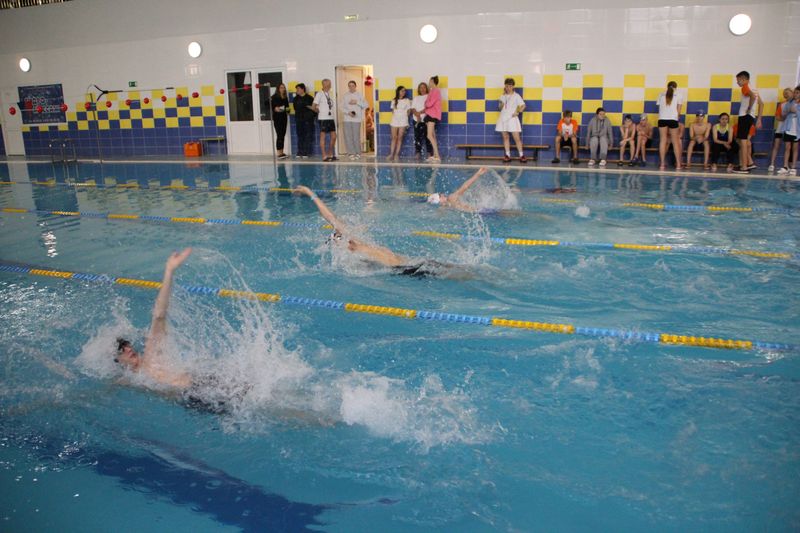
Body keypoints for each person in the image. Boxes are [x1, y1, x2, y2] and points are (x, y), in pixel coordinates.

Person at [295, 185, 468, 279]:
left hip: (409, 264)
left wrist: (310, 193)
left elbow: (331, 217)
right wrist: (310, 193)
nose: (342, 229)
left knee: (455, 270)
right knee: (458, 274)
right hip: (407, 268)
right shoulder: (351, 245)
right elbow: (329, 217)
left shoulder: (354, 245)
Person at [114, 249, 194, 391]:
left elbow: (159, 315)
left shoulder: (151, 356)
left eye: (127, 344)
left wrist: (169, 271)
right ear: (117, 361)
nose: (128, 349)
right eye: (122, 349)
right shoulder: (132, 380)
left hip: (201, 389)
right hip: (193, 399)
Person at [733, 70, 763, 174]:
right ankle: (749, 163)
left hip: (744, 116)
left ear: (744, 79)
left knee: (743, 141)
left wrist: (749, 108)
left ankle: (744, 167)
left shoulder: (745, 87)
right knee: (742, 140)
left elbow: (752, 97)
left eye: (738, 80)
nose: (737, 83)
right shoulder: (754, 88)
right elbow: (761, 104)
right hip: (751, 117)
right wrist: (759, 119)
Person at [496, 78, 527, 163]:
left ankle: (521, 155)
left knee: (517, 138)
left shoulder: (516, 96)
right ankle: (507, 155)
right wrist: (501, 102)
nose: (508, 88)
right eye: (506, 86)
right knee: (505, 137)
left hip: (512, 119)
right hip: (503, 118)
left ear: (513, 86)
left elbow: (523, 105)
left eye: (510, 86)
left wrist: (517, 112)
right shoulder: (502, 96)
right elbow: (500, 108)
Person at [657, 80, 684, 170]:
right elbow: (679, 111)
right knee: (675, 142)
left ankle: (662, 164)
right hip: (673, 119)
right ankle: (678, 165)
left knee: (663, 141)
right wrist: (676, 118)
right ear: (676, 87)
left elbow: (660, 108)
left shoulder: (661, 94)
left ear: (667, 87)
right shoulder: (679, 94)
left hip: (662, 119)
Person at [341, 80, 367, 160]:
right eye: (349, 86)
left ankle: (358, 153)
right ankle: (351, 153)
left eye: (353, 85)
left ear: (355, 86)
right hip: (347, 119)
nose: (351, 87)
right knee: (348, 136)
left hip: (357, 119)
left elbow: (366, 105)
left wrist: (356, 102)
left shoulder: (360, 95)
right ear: (348, 87)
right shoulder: (345, 96)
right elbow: (341, 107)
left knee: (356, 137)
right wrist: (348, 112)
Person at [312, 78, 337, 162]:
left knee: (334, 136)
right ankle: (324, 155)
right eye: (328, 84)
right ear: (324, 85)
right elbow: (313, 106)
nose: (329, 86)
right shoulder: (319, 94)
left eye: (329, 84)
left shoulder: (329, 93)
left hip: (330, 118)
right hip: (323, 118)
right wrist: (319, 111)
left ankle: (330, 153)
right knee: (323, 136)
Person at [776, 85, 800, 176]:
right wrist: (789, 110)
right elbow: (784, 113)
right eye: (795, 92)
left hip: (796, 130)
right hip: (788, 128)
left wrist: (796, 111)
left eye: (797, 93)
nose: (795, 94)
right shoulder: (790, 102)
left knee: (795, 148)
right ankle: (785, 166)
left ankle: (793, 167)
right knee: (787, 147)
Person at [769, 88, 793, 172]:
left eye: (787, 93)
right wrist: (784, 118)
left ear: (792, 93)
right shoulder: (782, 104)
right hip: (780, 128)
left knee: (788, 147)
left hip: (789, 129)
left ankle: (786, 165)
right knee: (776, 145)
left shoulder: (795, 104)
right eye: (784, 93)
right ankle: (772, 164)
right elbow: (777, 117)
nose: (785, 94)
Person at [292, 83, 315, 159]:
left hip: (308, 120)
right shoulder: (295, 99)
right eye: (296, 89)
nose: (297, 90)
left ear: (303, 89)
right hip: (299, 120)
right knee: (300, 135)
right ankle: (299, 151)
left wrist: (310, 116)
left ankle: (305, 152)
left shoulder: (310, 98)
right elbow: (295, 108)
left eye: (298, 89)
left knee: (307, 136)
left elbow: (314, 109)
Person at [389, 86, 411, 161]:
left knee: (400, 138)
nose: (403, 92)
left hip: (403, 121)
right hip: (395, 120)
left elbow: (409, 111)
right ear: (398, 91)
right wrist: (397, 116)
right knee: (394, 137)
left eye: (404, 91)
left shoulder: (407, 100)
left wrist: (403, 116)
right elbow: (393, 111)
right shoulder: (394, 100)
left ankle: (396, 154)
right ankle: (391, 154)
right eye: (402, 91)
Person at [423, 75, 442, 162]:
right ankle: (435, 155)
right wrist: (426, 103)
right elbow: (426, 102)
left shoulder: (436, 91)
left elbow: (429, 103)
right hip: (430, 114)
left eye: (430, 81)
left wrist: (426, 104)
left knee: (429, 135)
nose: (429, 83)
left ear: (433, 82)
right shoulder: (432, 91)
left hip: (433, 115)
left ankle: (437, 155)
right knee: (432, 135)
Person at [411, 82, 433, 159]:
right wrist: (417, 115)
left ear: (426, 88)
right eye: (421, 87)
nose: (422, 89)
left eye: (424, 87)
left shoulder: (429, 96)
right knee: (417, 137)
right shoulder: (416, 98)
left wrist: (419, 113)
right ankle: (418, 152)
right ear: (419, 89)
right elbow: (413, 108)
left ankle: (429, 153)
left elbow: (428, 108)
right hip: (416, 120)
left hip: (426, 120)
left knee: (428, 137)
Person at [270, 83, 290, 159]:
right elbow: (267, 103)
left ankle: (282, 152)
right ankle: (279, 153)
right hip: (277, 118)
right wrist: (274, 108)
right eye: (281, 87)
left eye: (284, 87)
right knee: (279, 135)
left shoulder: (285, 97)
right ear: (278, 89)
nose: (283, 89)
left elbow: (287, 107)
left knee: (283, 135)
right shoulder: (274, 97)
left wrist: (288, 111)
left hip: (284, 118)